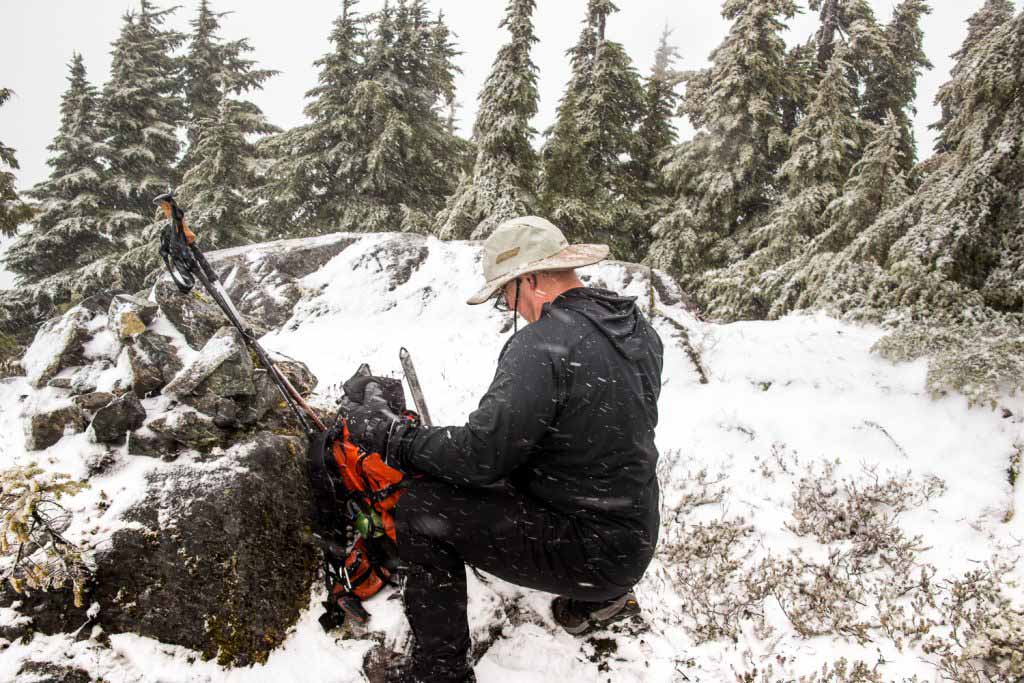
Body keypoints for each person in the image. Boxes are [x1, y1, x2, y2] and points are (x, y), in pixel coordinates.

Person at [345, 216, 664, 683]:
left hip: (589, 551)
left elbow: (478, 457)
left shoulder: (541, 344)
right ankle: (600, 599)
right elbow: (588, 435)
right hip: (632, 535)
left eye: (505, 295)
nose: (507, 305)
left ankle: (441, 673)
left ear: (529, 279)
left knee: (420, 509)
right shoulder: (634, 329)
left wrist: (393, 437)